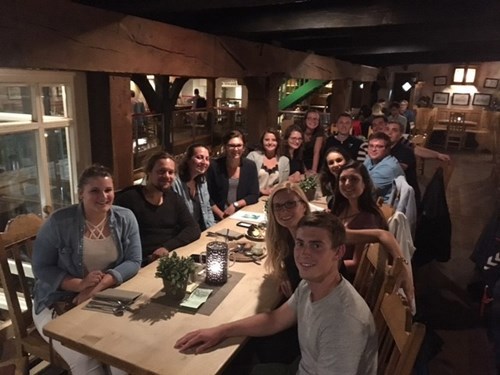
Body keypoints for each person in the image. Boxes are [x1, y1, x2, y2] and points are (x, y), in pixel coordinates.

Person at [175, 211, 378, 375]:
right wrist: (221, 330)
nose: (304, 253)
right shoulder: (311, 284)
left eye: (316, 245)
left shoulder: (343, 323)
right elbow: (275, 320)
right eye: (300, 243)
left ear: (338, 252)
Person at [32, 164, 142, 375]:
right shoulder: (58, 222)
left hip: (103, 295)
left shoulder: (125, 217)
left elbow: (134, 260)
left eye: (108, 190)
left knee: (122, 355)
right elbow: (41, 268)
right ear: (81, 193)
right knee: (85, 360)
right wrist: (79, 285)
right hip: (58, 300)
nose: (104, 196)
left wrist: (98, 285)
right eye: (95, 191)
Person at [266, 181, 414, 300]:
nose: (283, 211)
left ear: (304, 206)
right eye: (277, 206)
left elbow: (383, 235)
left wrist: (404, 267)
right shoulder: (282, 234)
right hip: (302, 303)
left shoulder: (321, 230)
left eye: (290, 204)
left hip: (330, 304)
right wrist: (283, 274)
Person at [114, 151, 201, 265]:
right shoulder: (129, 199)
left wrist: (167, 247)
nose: (167, 176)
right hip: (140, 264)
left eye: (171, 172)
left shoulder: (174, 198)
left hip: (167, 258)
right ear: (149, 172)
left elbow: (193, 229)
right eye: (161, 171)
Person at [332, 161, 388, 279]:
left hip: (344, 278)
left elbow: (356, 265)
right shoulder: (342, 207)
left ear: (365, 183)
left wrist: (325, 266)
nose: (347, 184)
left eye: (354, 179)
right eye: (343, 179)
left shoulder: (368, 219)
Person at [207, 129, 259, 220]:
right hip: (217, 217)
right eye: (231, 146)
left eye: (239, 145)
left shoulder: (250, 166)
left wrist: (235, 205)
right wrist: (221, 215)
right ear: (225, 147)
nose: (235, 149)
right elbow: (208, 196)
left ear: (244, 147)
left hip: (241, 214)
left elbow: (254, 195)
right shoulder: (214, 166)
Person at [172, 144, 215, 231]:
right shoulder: (175, 182)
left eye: (207, 159)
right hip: (184, 233)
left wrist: (212, 229)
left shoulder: (202, 180)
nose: (204, 162)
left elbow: (207, 208)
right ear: (188, 159)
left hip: (203, 230)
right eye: (199, 157)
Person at [385, 121, 421, 204]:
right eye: (387, 129)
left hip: (405, 197)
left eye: (394, 130)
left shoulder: (406, 151)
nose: (389, 133)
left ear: (401, 134)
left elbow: (396, 171)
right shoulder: (386, 148)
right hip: (393, 191)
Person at [363, 132, 405, 203]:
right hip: (372, 201)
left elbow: (365, 190)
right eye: (371, 146)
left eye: (379, 146)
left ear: (387, 149)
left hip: (383, 208)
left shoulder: (388, 167)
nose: (373, 149)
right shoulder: (370, 159)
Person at [247, 128, 290, 196]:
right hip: (253, 197)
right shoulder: (253, 156)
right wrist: (261, 191)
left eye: (274, 140)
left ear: (278, 142)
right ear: (262, 141)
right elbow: (246, 181)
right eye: (267, 140)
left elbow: (283, 184)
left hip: (273, 198)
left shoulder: (284, 161)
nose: (270, 143)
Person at [300, 109, 324, 173]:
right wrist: (305, 171)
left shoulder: (320, 132)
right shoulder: (299, 131)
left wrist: (313, 171)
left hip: (314, 162)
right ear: (305, 120)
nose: (312, 121)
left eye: (315, 119)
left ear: (319, 121)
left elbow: (316, 152)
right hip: (300, 161)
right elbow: (299, 154)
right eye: (309, 118)